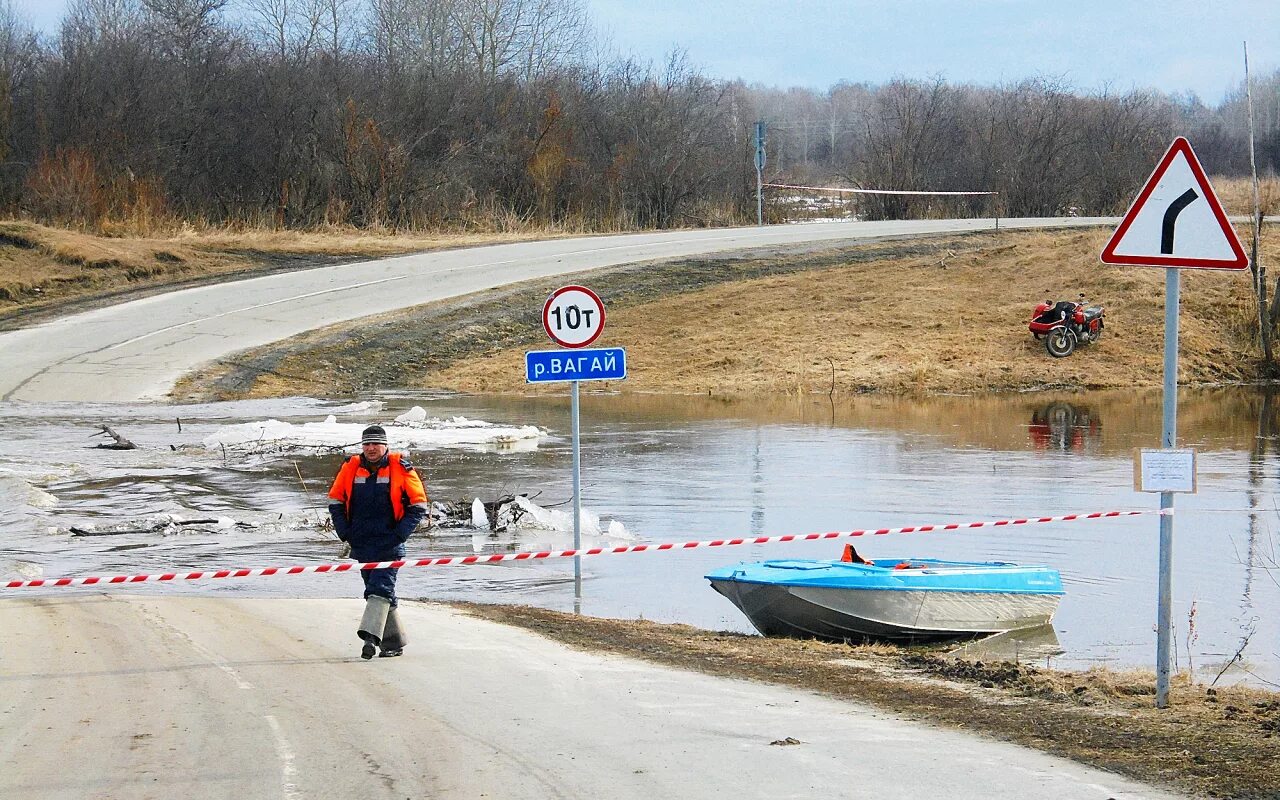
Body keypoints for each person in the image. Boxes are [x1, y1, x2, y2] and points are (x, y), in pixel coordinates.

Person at [328, 424, 429, 660]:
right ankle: (394, 642)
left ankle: (369, 640)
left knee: (380, 590)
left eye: (376, 444)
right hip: (361, 543)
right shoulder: (350, 468)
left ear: (385, 446)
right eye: (367, 444)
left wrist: (399, 535)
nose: (371, 448)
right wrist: (345, 532)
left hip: (390, 544)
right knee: (378, 592)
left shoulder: (401, 468)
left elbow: (418, 505)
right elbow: (335, 500)